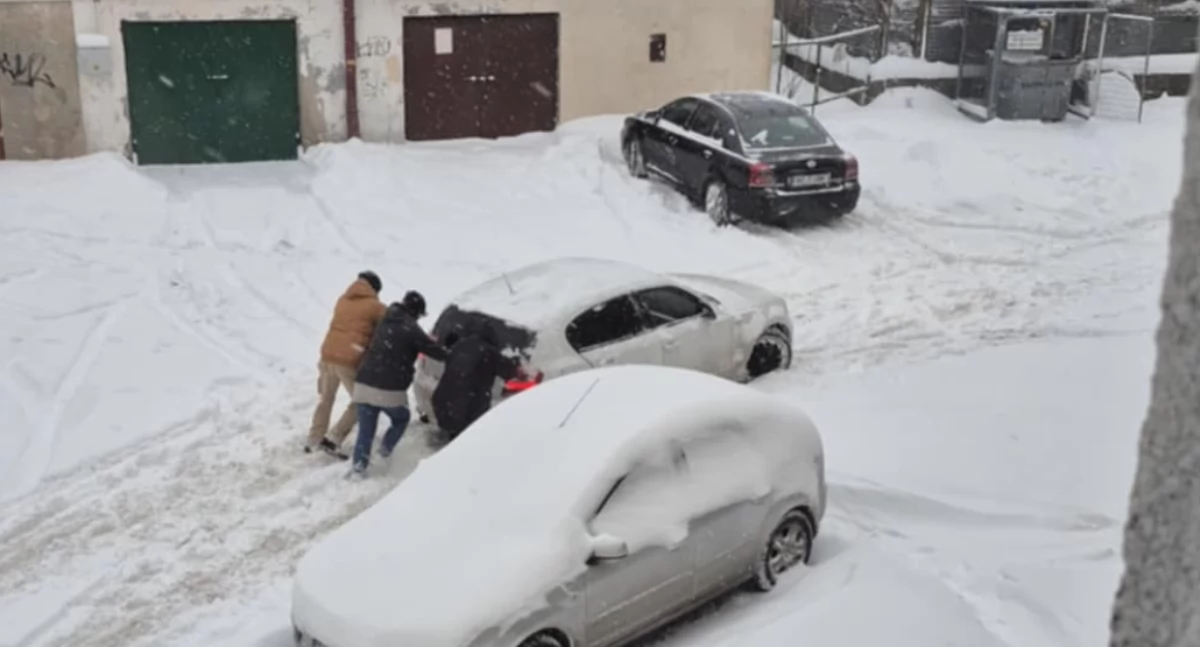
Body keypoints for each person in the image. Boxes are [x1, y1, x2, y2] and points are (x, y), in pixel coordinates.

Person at [348, 290, 447, 477]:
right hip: (387, 388)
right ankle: (383, 453)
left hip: (363, 384)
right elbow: (435, 351)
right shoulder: (411, 328)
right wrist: (451, 350)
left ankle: (358, 469)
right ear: (416, 311)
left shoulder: (386, 319)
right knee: (401, 418)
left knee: (365, 431)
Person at [305, 270, 386, 459]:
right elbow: (389, 324)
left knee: (326, 399)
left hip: (326, 355)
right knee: (362, 400)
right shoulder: (375, 306)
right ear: (374, 289)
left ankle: (314, 438)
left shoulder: (342, 300)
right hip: (348, 359)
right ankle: (333, 438)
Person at [430, 322, 526, 447]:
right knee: (465, 446)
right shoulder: (489, 352)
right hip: (465, 409)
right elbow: (510, 370)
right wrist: (524, 371)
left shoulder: (459, 345)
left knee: (451, 441)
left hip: (442, 402)